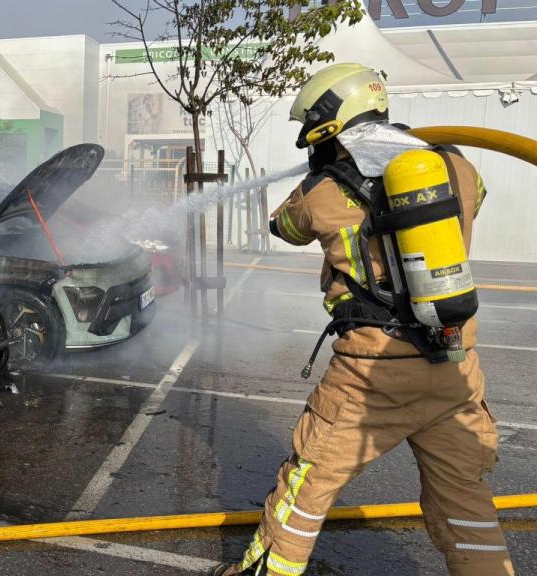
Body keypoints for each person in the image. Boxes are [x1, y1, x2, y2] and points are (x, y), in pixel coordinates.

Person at [212, 63, 513, 576]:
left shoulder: (325, 190)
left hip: (372, 373)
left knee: (305, 487)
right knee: (467, 508)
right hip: (456, 367)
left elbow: (286, 226)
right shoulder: (456, 167)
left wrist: (316, 177)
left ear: (329, 126)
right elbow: (476, 200)